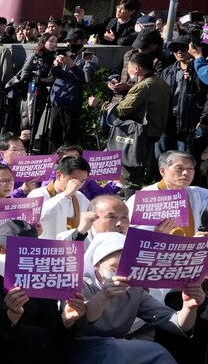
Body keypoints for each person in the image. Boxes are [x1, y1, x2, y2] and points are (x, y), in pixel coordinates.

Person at [72, 233, 204, 363]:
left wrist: (189, 307)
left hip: (120, 348)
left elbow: (175, 323)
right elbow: (81, 321)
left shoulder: (135, 292)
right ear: (97, 264)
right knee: (117, 350)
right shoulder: (82, 285)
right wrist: (104, 296)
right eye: (114, 268)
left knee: (157, 352)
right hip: (84, 349)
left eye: (128, 268)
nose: (121, 274)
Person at [0, 220, 84, 363]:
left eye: (16, 250)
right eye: (1, 249)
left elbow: (58, 339)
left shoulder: (44, 280)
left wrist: (67, 321)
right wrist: (11, 317)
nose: (6, 255)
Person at [107, 53, 171, 193]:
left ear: (137, 69)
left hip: (138, 136)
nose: (128, 70)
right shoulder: (161, 83)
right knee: (142, 172)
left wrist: (102, 104)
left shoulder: (142, 86)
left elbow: (122, 110)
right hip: (154, 132)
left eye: (129, 67)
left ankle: (130, 206)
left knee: (131, 175)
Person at [126, 150, 208, 236]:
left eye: (190, 168)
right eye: (179, 168)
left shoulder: (197, 193)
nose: (185, 173)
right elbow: (128, 234)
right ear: (162, 171)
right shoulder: (143, 199)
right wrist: (156, 234)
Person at [27, 156, 92, 239]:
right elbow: (40, 217)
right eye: (74, 180)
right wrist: (65, 195)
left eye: (82, 181)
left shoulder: (80, 197)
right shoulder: (37, 195)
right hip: (48, 247)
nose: (78, 185)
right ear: (58, 175)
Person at [59, 194, 130, 242]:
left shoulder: (135, 241)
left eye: (124, 217)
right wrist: (80, 233)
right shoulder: (73, 237)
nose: (119, 223)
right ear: (92, 219)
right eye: (111, 217)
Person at [71, 0, 140, 46]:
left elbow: (129, 42)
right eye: (118, 7)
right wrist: (79, 20)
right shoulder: (107, 21)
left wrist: (114, 39)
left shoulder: (135, 26)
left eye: (123, 9)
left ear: (132, 11)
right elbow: (86, 31)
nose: (118, 11)